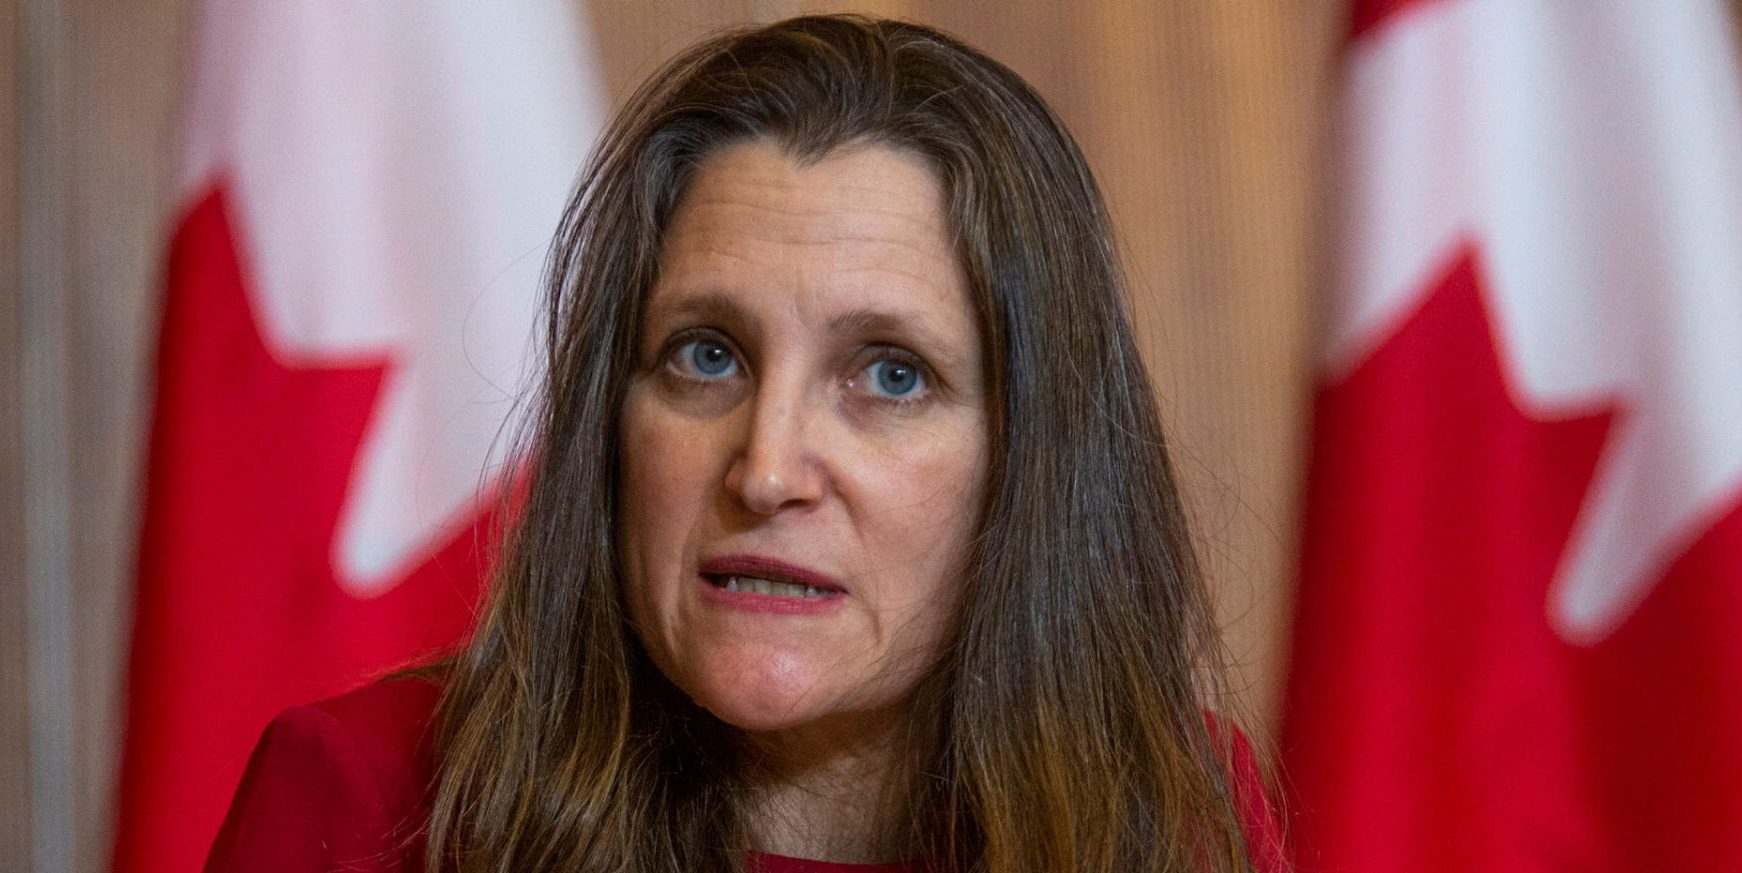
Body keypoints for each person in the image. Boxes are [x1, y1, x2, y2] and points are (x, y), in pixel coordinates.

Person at [203, 14, 1286, 873]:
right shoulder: (363, 797)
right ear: (608, 424)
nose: (766, 471)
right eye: (706, 356)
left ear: (1027, 463)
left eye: (890, 376)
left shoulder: (1163, 814)